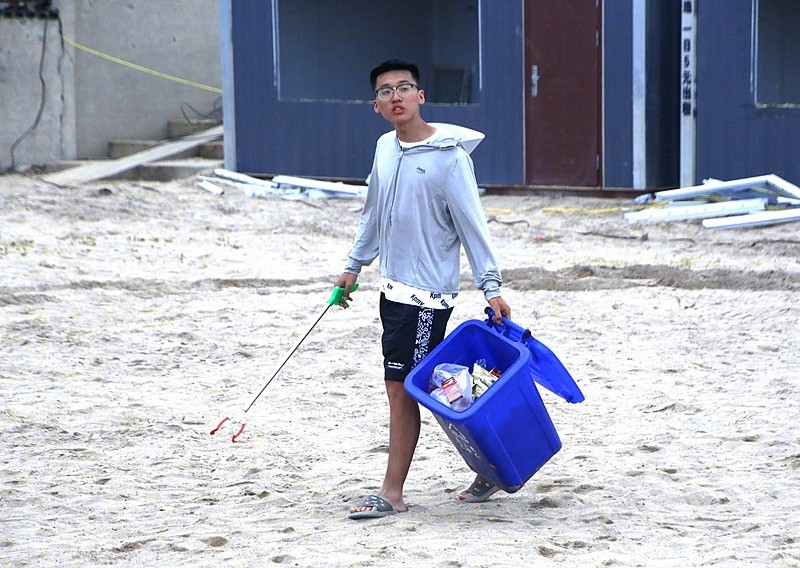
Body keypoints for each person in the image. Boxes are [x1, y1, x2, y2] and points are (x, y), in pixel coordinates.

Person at [335, 59, 511, 520]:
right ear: (376, 105)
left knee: (403, 388)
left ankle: (391, 493)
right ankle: (494, 466)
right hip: (391, 292)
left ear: (421, 96)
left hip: (429, 296)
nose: (395, 96)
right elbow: (373, 215)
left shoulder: (451, 157)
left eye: (404, 87)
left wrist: (491, 287)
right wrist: (354, 267)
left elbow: (474, 227)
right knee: (437, 388)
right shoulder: (384, 149)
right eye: (385, 91)